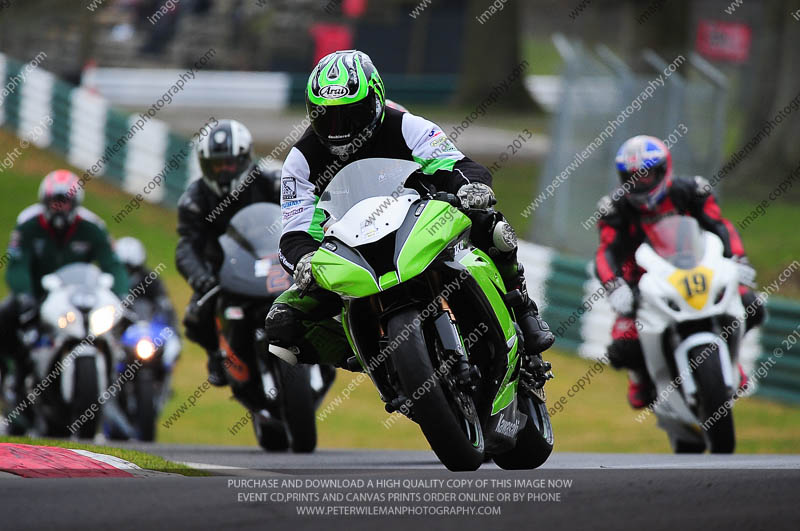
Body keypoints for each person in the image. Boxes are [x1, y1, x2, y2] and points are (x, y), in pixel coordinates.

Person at [265, 50, 555, 384]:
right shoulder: (301, 160)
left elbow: (458, 164)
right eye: (326, 118)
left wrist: (469, 188)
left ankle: (523, 308)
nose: (338, 130)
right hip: (351, 250)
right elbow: (294, 233)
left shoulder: (404, 125)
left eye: (350, 115)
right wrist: (305, 259)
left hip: (419, 221)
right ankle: (370, 356)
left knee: (490, 223)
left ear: (375, 100)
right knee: (281, 323)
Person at [594, 135, 765, 408]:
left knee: (751, 305)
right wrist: (615, 286)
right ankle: (641, 378)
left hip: (698, 271)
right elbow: (606, 252)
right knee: (622, 346)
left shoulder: (692, 191)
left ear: (664, 170)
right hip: (644, 283)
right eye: (632, 176)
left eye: (646, 174)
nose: (639, 182)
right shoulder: (614, 208)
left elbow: (720, 226)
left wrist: (738, 259)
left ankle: (733, 362)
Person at [0, 169, 128, 432]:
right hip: (36, 297)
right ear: (44, 203)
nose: (59, 209)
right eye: (54, 203)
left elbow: (112, 265)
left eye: (65, 203)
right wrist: (25, 295)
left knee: (125, 336)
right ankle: (8, 384)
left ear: (75, 204)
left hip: (78, 299)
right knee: (4, 318)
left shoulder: (93, 227)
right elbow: (17, 266)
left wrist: (122, 294)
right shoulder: (28, 224)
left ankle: (125, 408)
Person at [175, 119, 281, 386]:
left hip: (273, 263)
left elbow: (298, 214)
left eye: (229, 164)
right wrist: (200, 277)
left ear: (245, 159)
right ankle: (217, 353)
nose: (223, 171)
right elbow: (187, 245)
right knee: (196, 315)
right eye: (216, 165)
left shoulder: (271, 184)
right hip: (223, 271)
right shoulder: (195, 199)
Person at [115, 236, 177, 328]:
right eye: (123, 269)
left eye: (131, 269)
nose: (126, 275)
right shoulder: (109, 279)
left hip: (146, 329)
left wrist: (171, 329)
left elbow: (164, 304)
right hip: (117, 327)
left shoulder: (150, 279)